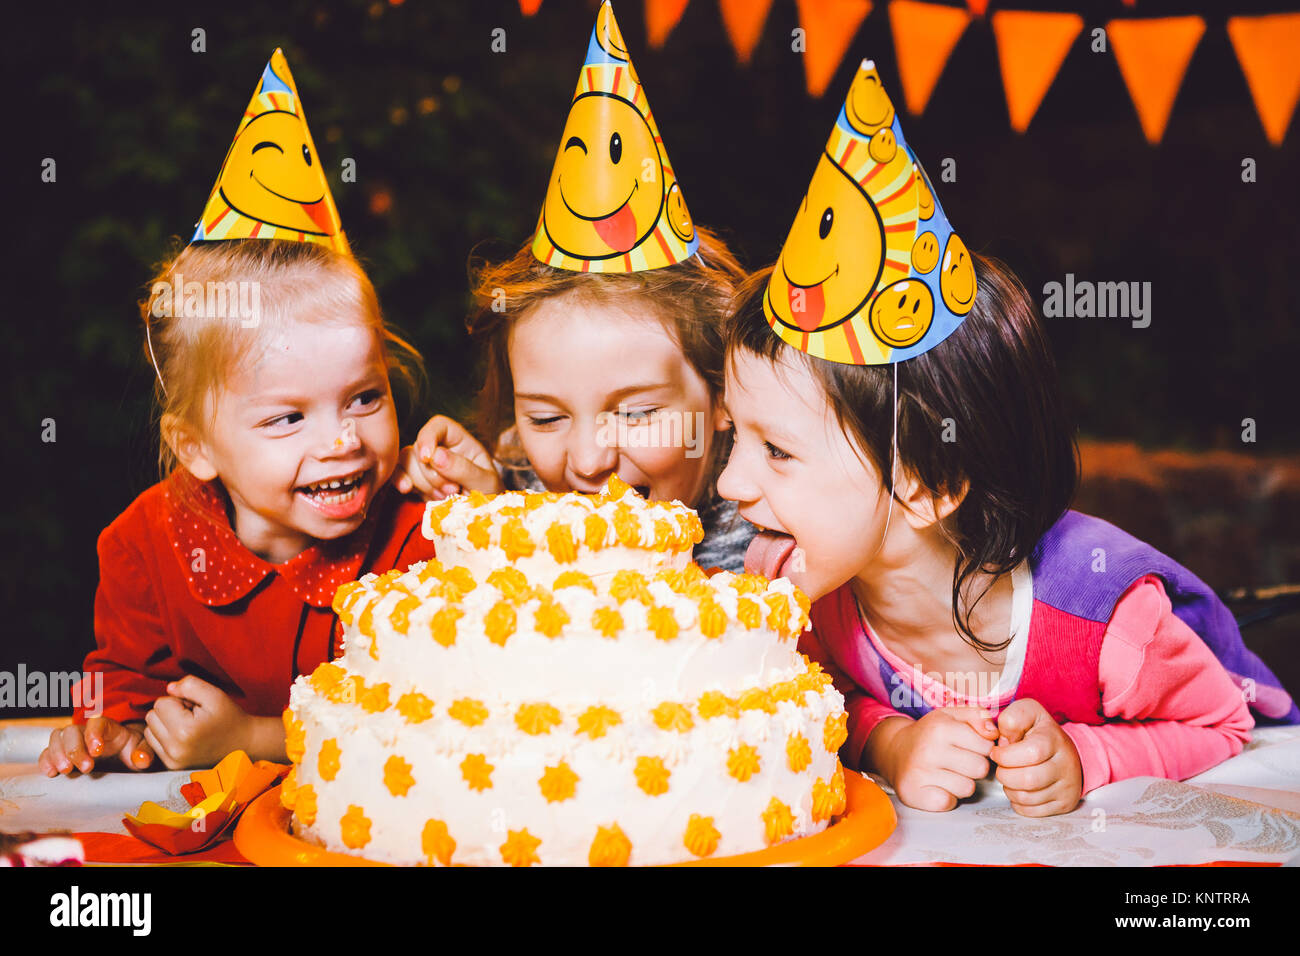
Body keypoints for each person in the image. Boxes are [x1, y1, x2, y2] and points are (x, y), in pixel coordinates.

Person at [717, 61, 1295, 817]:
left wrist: (1090, 757)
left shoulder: (1107, 627)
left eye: (778, 451)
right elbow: (825, 696)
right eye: (734, 437)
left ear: (925, 486)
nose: (729, 484)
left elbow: (1224, 724)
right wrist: (890, 743)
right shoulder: (823, 600)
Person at [39, 51, 438, 775]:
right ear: (194, 446)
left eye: (365, 397)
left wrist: (253, 739)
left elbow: (437, 720)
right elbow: (127, 686)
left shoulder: (422, 543)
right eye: (288, 418)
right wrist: (108, 731)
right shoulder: (144, 546)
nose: (343, 440)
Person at [397, 1, 756, 572]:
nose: (588, 462)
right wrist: (487, 516)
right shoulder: (509, 485)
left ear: (724, 397)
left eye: (636, 413)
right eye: (545, 418)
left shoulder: (781, 538)